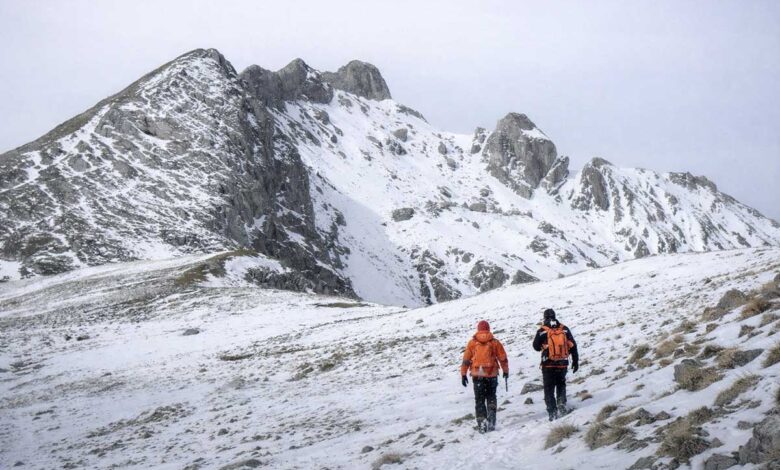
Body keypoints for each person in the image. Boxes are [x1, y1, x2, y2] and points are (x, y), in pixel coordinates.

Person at [460, 320, 509, 433]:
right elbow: (503, 358)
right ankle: (491, 421)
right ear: (488, 329)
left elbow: (466, 360)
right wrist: (505, 371)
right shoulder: (494, 342)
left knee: (479, 400)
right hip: (491, 374)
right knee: (491, 396)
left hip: (478, 375)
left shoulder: (472, 343)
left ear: (478, 329)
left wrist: (463, 374)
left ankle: (482, 424)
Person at [532, 308, 579, 421]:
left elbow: (535, 346)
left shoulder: (542, 330)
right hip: (562, 363)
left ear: (545, 317)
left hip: (548, 364)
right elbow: (573, 345)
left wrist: (545, 346)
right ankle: (561, 404)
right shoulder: (564, 329)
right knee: (561, 384)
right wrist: (575, 361)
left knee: (549, 389)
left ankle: (552, 412)